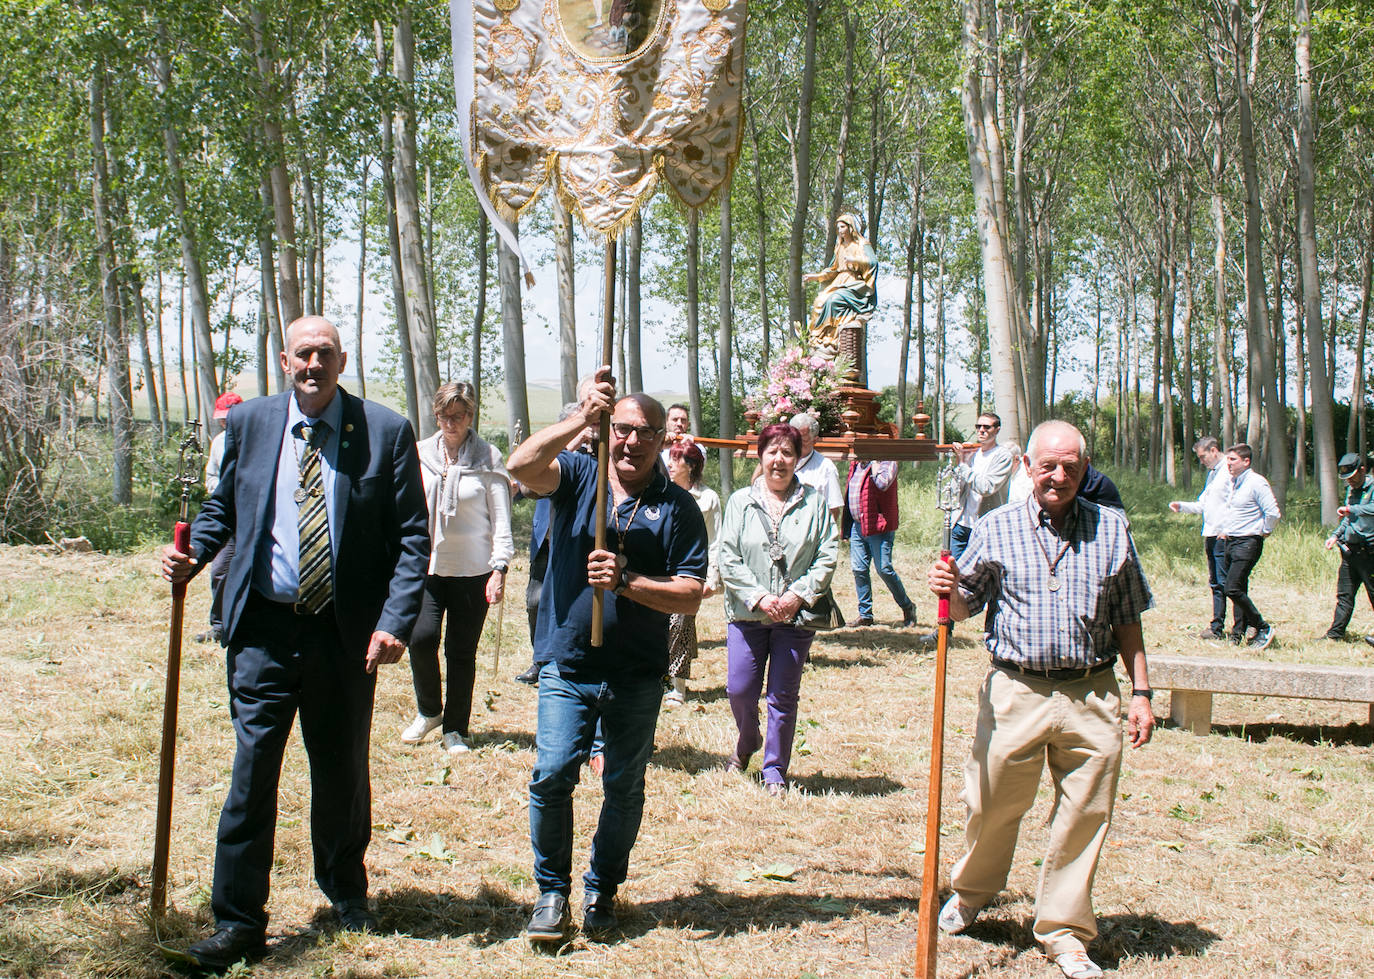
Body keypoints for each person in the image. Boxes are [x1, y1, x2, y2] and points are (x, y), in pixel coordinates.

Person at [160, 316, 429, 972]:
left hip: (345, 635)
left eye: (326, 354)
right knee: (252, 775)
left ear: (342, 360)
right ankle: (238, 921)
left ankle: (345, 891)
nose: (314, 364)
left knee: (340, 769)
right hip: (264, 632)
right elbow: (225, 507)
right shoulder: (250, 423)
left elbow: (413, 536)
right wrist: (191, 553)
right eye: (303, 353)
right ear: (285, 359)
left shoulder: (385, 432)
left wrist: (394, 620)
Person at [926, 420, 1154, 979]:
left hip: (1093, 692)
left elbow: (1128, 619)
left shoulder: (1112, 529)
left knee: (1086, 813)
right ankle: (974, 891)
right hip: (1016, 690)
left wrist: (1142, 692)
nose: (1059, 476)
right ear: (1027, 467)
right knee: (991, 801)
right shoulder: (997, 527)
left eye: (1070, 467)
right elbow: (963, 608)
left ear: (1083, 470)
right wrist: (949, 591)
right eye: (1048, 465)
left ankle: (1065, 931)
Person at [507, 368, 708, 943]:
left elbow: (691, 595)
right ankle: (551, 894)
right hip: (569, 664)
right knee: (550, 777)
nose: (631, 441)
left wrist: (626, 581)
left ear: (662, 442)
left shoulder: (677, 507)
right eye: (621, 429)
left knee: (623, 785)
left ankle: (602, 890)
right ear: (608, 429)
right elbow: (520, 467)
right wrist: (579, 421)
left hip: (636, 674)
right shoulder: (579, 474)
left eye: (644, 432)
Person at [718, 423, 838, 796]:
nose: (779, 460)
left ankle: (774, 770)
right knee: (739, 689)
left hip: (794, 617)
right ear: (760, 456)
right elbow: (728, 556)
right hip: (748, 613)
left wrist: (797, 596)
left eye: (788, 453)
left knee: (782, 695)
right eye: (772, 451)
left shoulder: (814, 503)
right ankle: (747, 739)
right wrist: (760, 598)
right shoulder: (740, 502)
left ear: (798, 459)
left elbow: (827, 555)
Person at [401, 382, 514, 753]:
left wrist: (499, 568)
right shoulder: (419, 455)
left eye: (460, 415)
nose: (452, 423)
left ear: (471, 416)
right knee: (420, 640)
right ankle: (430, 710)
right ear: (436, 415)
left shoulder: (488, 458)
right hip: (429, 569)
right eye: (445, 416)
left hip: (473, 572)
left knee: (460, 652)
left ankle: (456, 729)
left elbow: (501, 519)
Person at [664, 439, 722, 705]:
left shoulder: (708, 499)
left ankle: (678, 687)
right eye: (670, 459)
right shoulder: (660, 492)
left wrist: (712, 578)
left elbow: (715, 540)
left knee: (680, 624)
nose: (670, 465)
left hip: (689, 572)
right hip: (659, 569)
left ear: (692, 466)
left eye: (677, 460)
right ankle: (658, 680)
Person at [1219, 442, 1280, 649]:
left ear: (1246, 461)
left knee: (1232, 588)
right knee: (1239, 587)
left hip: (1248, 541)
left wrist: (1264, 531)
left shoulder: (1256, 482)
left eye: (1233, 460)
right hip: (1232, 541)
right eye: (1227, 460)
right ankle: (1237, 634)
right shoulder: (1234, 482)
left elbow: (1272, 512)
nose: (1229, 464)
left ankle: (1262, 626)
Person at [1168, 437, 1231, 640]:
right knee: (1216, 583)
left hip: (1225, 535)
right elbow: (1203, 504)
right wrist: (1182, 506)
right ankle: (1217, 626)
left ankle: (1242, 626)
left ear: (1214, 450)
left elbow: (1236, 504)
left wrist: (1228, 529)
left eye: (1203, 456)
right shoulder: (1212, 475)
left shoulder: (1229, 471)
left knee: (1229, 584)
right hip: (1210, 534)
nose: (1201, 461)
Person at [844, 457, 916, 628]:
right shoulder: (856, 464)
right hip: (858, 525)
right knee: (859, 569)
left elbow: (882, 484)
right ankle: (865, 615)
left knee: (884, 569)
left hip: (878, 526)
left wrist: (875, 462)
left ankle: (907, 606)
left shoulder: (887, 462)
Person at [198, 391, 244, 644]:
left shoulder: (258, 438)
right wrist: (224, 492)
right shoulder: (218, 443)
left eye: (230, 418)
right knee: (220, 570)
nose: (226, 423)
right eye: (223, 419)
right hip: (229, 518)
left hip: (254, 520)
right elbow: (211, 477)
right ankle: (219, 626)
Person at [803, 213, 877, 353]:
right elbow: (833, 269)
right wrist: (816, 277)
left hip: (854, 282)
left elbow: (873, 262)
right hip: (839, 281)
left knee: (834, 300)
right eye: (838, 228)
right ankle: (820, 339)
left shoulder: (862, 244)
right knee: (819, 302)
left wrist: (855, 261)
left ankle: (834, 339)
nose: (840, 230)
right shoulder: (839, 247)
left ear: (850, 227)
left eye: (843, 227)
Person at [949, 412, 1014, 561]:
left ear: (997, 430)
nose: (981, 430)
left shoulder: (1003, 456)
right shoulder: (971, 454)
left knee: (978, 576)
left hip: (985, 527)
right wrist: (959, 462)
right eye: (978, 426)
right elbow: (955, 490)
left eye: (987, 427)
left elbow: (986, 488)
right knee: (953, 572)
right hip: (961, 524)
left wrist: (963, 465)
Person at [1324, 452, 1374, 642]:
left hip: (1369, 552)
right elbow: (1349, 519)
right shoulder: (1351, 491)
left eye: (1352, 477)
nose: (1350, 482)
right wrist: (1335, 535)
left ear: (1362, 470)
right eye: (1346, 479)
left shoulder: (1372, 487)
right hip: (1350, 552)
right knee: (1344, 595)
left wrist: (1351, 509)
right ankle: (1335, 634)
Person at [787, 413, 844, 525]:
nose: (797, 445)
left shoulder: (826, 467)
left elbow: (834, 509)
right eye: (794, 439)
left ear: (815, 440)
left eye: (803, 441)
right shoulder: (781, 461)